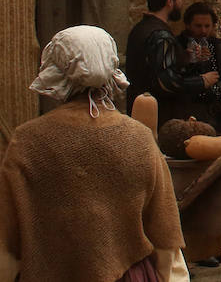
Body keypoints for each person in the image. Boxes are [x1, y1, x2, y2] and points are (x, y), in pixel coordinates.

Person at [0, 25, 189, 281]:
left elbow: (7, 241)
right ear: (112, 71)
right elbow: (165, 237)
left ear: (54, 70)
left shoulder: (27, 140)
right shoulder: (139, 138)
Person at [125, 0, 219, 128]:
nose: (181, 2)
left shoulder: (140, 28)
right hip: (157, 115)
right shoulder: (160, 35)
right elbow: (166, 82)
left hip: (139, 110)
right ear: (170, 1)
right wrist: (202, 81)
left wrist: (182, 58)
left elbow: (152, 66)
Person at [176, 2, 221, 133]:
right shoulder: (176, 46)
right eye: (198, 26)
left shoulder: (220, 49)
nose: (203, 30)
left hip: (215, 116)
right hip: (185, 114)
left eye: (207, 26)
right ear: (188, 25)